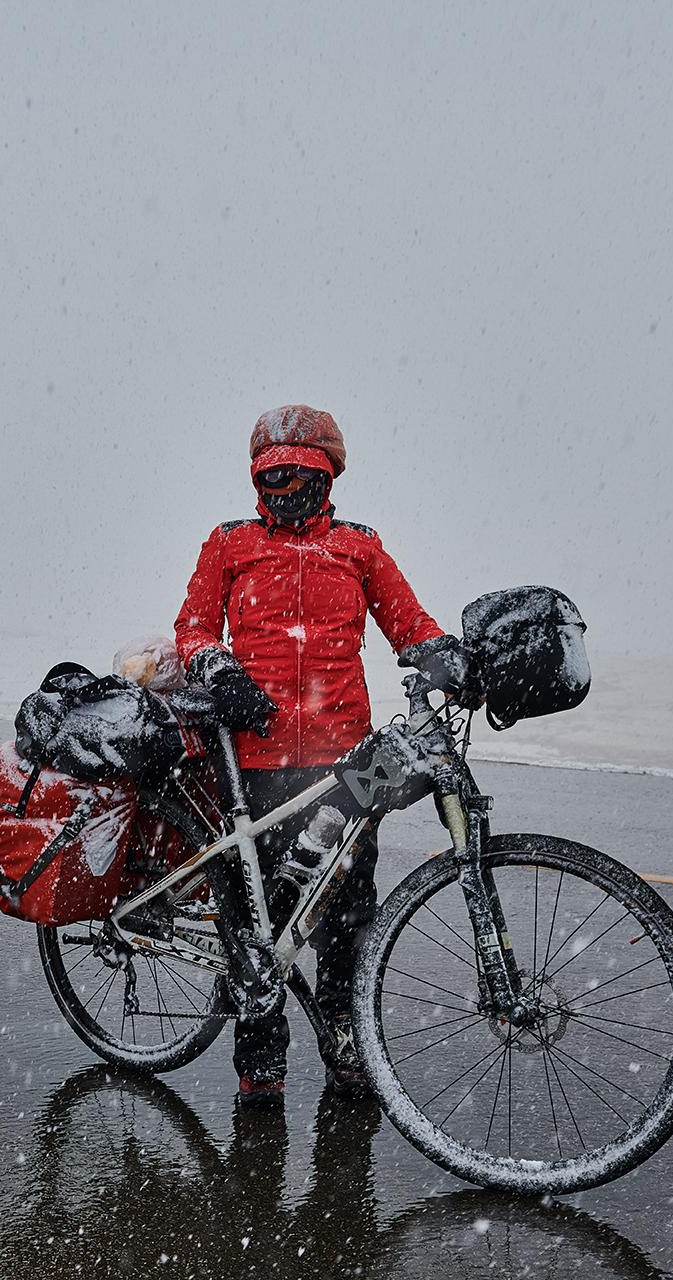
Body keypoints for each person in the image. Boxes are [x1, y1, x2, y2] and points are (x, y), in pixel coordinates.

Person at [173, 404, 468, 1103]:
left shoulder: (360, 547)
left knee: (347, 912)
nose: (285, 488)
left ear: (329, 474)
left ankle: (345, 1041)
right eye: (272, 477)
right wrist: (216, 667)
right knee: (252, 918)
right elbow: (192, 625)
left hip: (349, 763)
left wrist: (445, 658)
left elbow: (408, 624)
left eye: (300, 475)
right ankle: (261, 1062)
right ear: (255, 479)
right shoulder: (229, 543)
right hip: (249, 763)